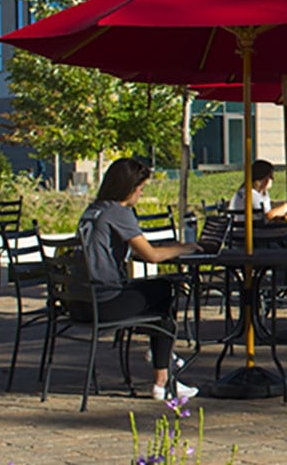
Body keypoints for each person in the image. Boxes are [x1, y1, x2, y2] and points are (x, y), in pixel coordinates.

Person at [72, 157, 204, 401]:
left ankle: (162, 358)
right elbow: (152, 256)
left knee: (155, 298)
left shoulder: (92, 210)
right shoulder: (118, 212)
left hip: (78, 304)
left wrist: (169, 247)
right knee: (165, 291)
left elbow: (132, 249)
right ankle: (162, 378)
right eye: (141, 189)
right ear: (128, 188)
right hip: (104, 302)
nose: (141, 195)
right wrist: (184, 248)